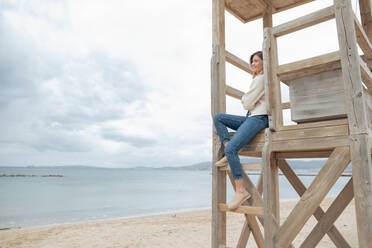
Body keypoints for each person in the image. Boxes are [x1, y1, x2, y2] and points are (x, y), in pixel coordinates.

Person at [213, 51, 268, 210]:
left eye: (256, 61)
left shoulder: (262, 78)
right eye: (252, 61)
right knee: (218, 118)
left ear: (264, 62)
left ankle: (241, 191)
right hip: (252, 117)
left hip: (259, 118)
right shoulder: (257, 79)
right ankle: (227, 151)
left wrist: (246, 98)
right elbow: (249, 102)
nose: (253, 64)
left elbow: (247, 103)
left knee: (232, 149)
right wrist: (248, 99)